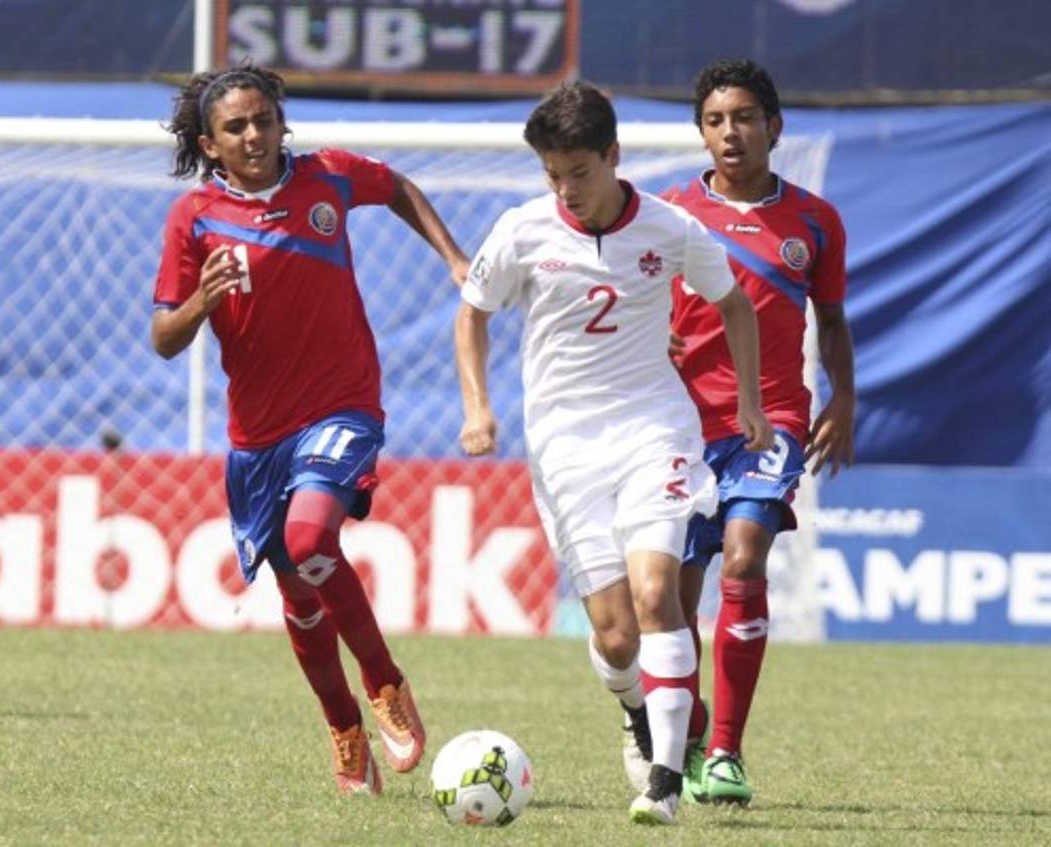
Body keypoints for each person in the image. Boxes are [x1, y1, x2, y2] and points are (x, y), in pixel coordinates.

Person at [455, 80, 773, 826]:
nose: (566, 190)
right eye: (553, 175)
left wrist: (751, 403)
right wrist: (478, 406)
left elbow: (732, 304)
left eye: (579, 172)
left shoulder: (670, 228)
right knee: (614, 632)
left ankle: (664, 779)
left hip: (653, 428)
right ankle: (636, 711)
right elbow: (471, 317)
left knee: (660, 594)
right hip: (564, 445)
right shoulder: (522, 231)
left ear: (613, 156)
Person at [151, 63, 469, 795]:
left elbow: (396, 189)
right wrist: (202, 300)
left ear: (281, 120)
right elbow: (164, 336)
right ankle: (344, 725)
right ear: (210, 142)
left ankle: (386, 681)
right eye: (236, 126)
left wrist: (452, 256)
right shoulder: (192, 218)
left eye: (264, 119)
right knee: (296, 595)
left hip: (343, 404)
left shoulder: (327, 177)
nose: (254, 135)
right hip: (258, 435)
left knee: (308, 538)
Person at [665, 58, 856, 806]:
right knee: (674, 604)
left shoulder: (815, 221)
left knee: (744, 561)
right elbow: (633, 300)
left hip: (769, 417)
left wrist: (843, 397)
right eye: (715, 121)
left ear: (774, 127)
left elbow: (833, 321)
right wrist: (654, 339)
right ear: (702, 134)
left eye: (744, 117)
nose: (731, 132)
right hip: (679, 423)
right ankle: (688, 721)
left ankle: (725, 753)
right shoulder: (673, 214)